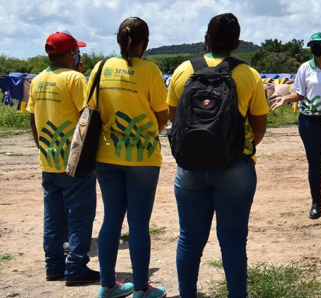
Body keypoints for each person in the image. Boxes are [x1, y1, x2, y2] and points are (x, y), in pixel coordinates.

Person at [166, 13, 268, 298]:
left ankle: (187, 294)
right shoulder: (248, 74)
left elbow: (175, 120)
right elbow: (259, 127)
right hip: (234, 168)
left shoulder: (183, 70)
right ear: (236, 42)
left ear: (206, 38)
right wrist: (235, 150)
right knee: (233, 242)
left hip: (189, 169)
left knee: (189, 238)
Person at [88, 17, 168, 298]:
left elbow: (91, 108)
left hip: (105, 155)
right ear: (145, 43)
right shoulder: (150, 70)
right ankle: (143, 289)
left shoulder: (101, 68)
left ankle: (108, 286)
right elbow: (161, 114)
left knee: (111, 218)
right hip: (143, 158)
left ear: (118, 40)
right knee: (138, 223)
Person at [27, 30, 101, 287]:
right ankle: (77, 268)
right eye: (76, 51)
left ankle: (54, 267)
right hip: (74, 162)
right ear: (71, 54)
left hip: (48, 160)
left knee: (53, 216)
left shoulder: (37, 80)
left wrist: (42, 147)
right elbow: (87, 118)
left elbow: (32, 118)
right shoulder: (75, 79)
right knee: (80, 214)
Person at [269, 32, 321, 220]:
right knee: (315, 163)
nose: (315, 47)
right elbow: (298, 93)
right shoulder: (305, 68)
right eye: (312, 44)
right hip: (309, 122)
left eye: (318, 44)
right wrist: (285, 98)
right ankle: (315, 202)